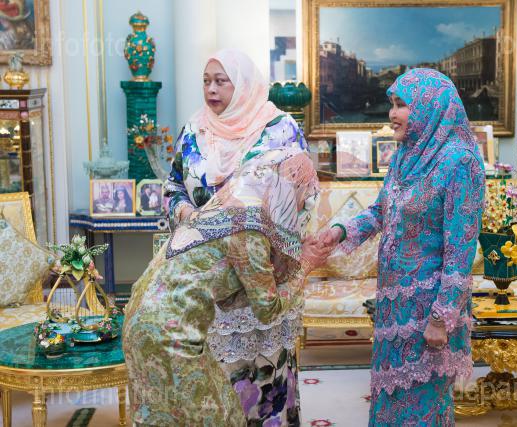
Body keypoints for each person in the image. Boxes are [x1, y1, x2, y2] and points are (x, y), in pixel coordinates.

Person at [131, 48, 325, 426]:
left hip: (261, 269)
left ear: (245, 84)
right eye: (206, 81)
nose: (211, 89)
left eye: (221, 81)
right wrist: (191, 217)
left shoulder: (279, 127)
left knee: (265, 375)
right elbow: (173, 188)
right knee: (210, 381)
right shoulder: (195, 129)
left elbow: (300, 194)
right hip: (209, 275)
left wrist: (274, 251)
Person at [316, 69, 485, 426]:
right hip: (394, 303)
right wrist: (340, 231)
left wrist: (441, 318)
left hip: (429, 309)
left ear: (429, 106)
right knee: (390, 397)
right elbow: (381, 211)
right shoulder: (405, 155)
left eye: (401, 105)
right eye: (391, 104)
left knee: (422, 404)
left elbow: (461, 249)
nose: (392, 114)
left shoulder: (460, 162)